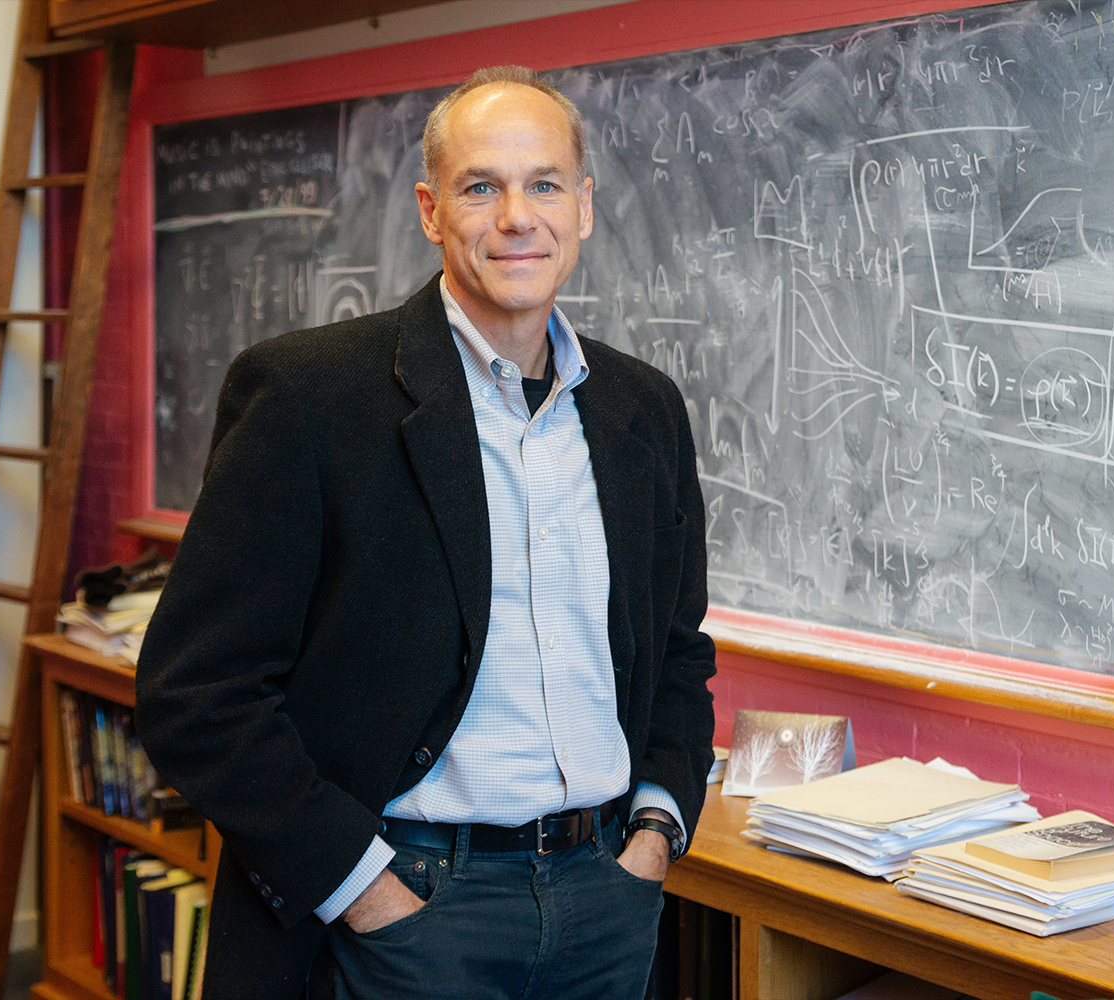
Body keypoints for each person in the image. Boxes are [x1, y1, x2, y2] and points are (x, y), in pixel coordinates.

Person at [136, 64, 717, 1000]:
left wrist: (654, 832)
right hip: (407, 911)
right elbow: (196, 693)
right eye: (481, 187)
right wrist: (366, 892)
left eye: (544, 185)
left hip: (605, 905)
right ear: (430, 210)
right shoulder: (308, 396)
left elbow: (678, 650)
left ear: (584, 206)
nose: (518, 217)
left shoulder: (642, 409)